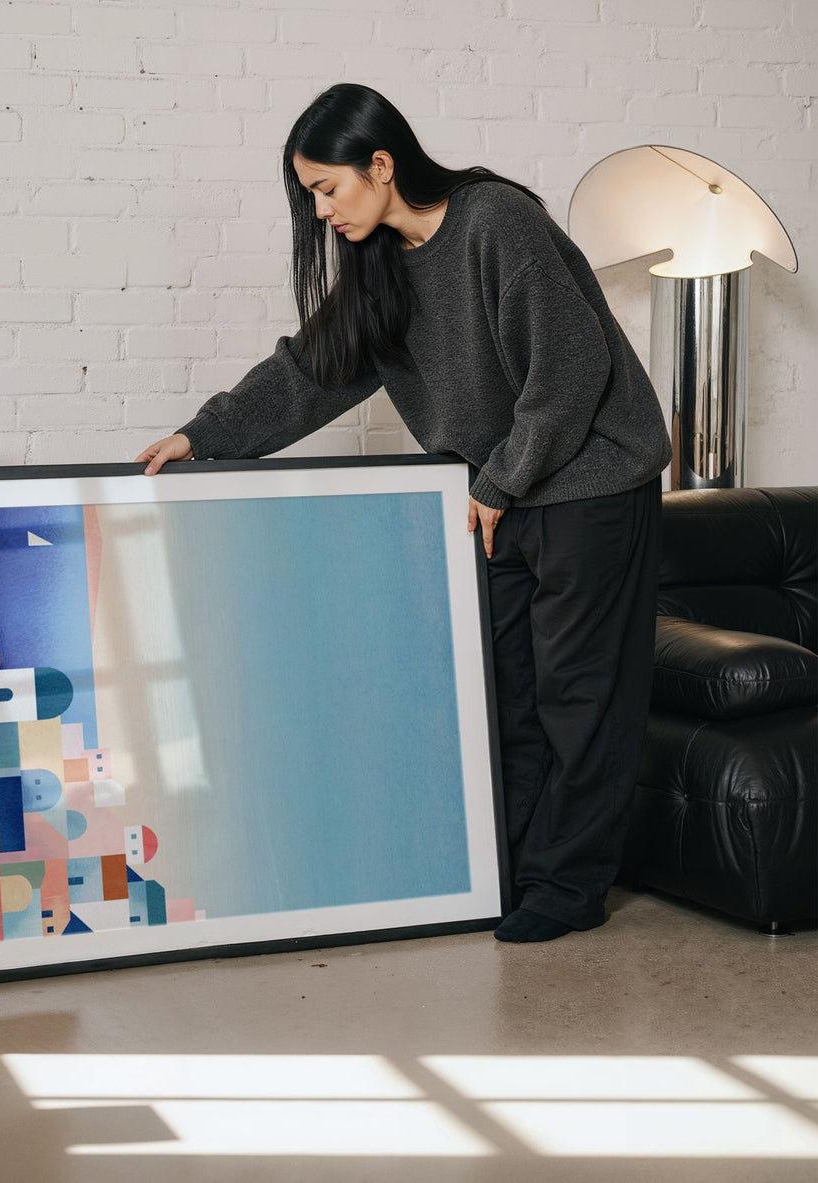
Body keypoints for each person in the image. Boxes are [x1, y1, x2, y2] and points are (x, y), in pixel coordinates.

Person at [136, 83, 672, 943]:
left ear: (381, 165)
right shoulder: (381, 263)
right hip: (501, 492)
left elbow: (569, 371)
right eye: (309, 195)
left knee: (581, 694)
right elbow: (313, 369)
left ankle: (567, 888)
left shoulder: (495, 222)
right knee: (508, 694)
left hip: (589, 479)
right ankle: (515, 871)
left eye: (328, 189)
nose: (320, 213)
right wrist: (206, 435)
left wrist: (500, 481)